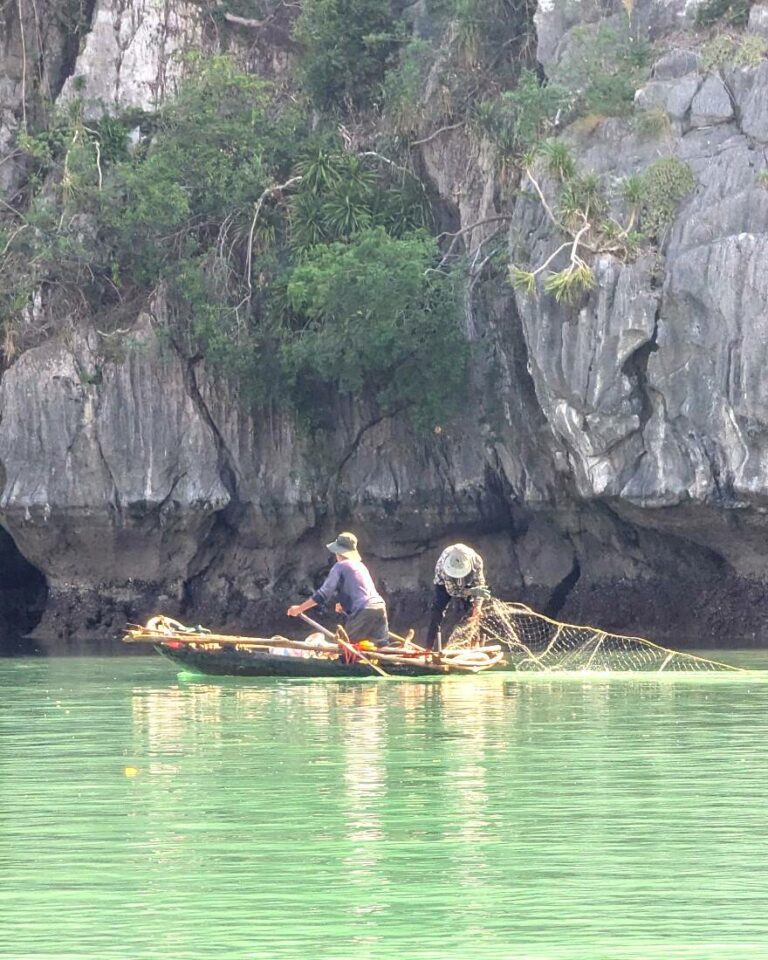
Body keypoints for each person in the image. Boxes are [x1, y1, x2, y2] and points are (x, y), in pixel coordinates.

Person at [286, 532, 389, 646]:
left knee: (346, 650)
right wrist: (345, 607)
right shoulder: (360, 566)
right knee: (381, 647)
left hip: (364, 611)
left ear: (338, 553)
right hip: (380, 607)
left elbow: (323, 594)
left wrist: (299, 609)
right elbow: (362, 593)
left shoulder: (340, 566)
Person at [425, 543, 489, 652]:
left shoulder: (476, 560)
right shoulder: (444, 567)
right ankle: (428, 648)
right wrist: (470, 591)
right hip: (444, 584)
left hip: (468, 583)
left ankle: (473, 646)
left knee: (471, 612)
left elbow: (480, 583)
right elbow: (452, 591)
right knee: (437, 610)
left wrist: (477, 606)